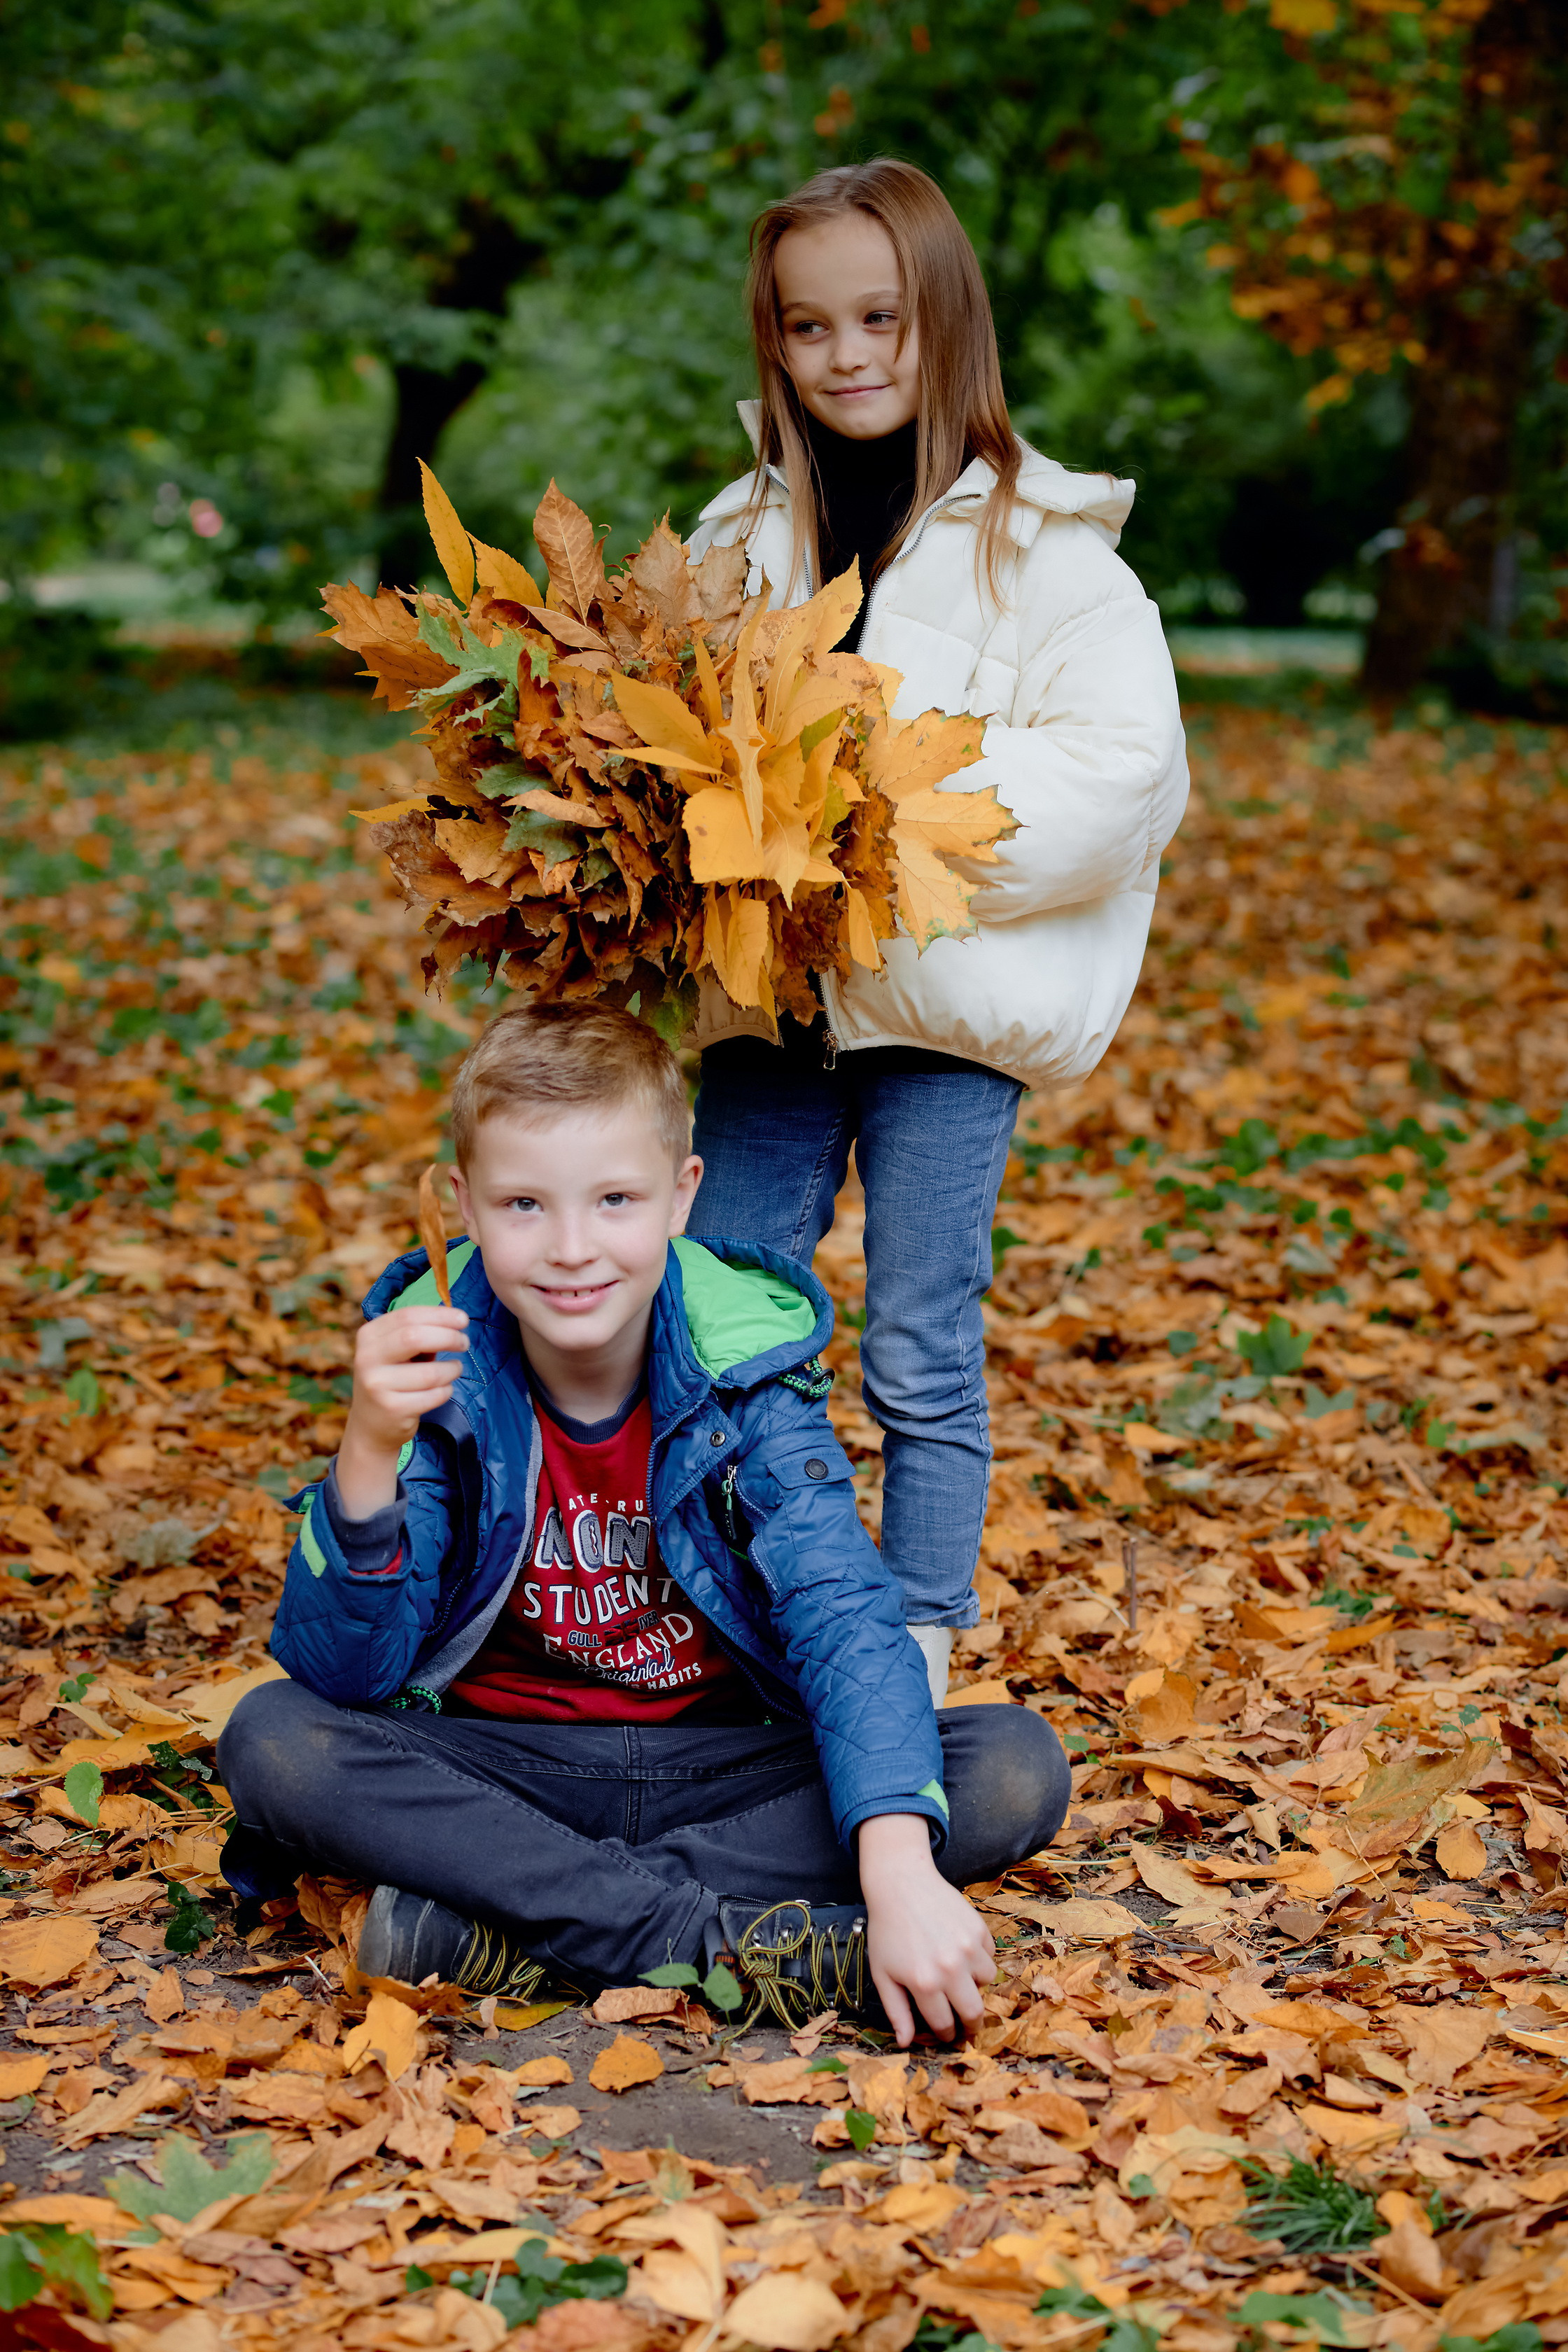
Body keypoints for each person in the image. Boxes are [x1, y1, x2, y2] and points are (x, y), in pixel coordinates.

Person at [218, 1004, 1069, 2042]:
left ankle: (506, 1934)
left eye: (614, 1199)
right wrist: (364, 1452)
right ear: (463, 1206)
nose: (573, 1249)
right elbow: (348, 1673)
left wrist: (893, 1873)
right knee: (274, 1740)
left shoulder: (742, 1369)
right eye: (524, 1203)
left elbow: (842, 1613)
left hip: (713, 1771)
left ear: (681, 1196)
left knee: (1010, 1765)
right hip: (507, 1768)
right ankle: (713, 1948)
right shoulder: (442, 1369)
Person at [685, 160, 1188, 1702]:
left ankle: (911, 1636)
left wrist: (870, 815)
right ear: (772, 342)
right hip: (770, 1002)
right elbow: (673, 741)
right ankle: (736, 1593)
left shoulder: (1045, 552)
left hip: (945, 1018)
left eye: (880, 318)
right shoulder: (730, 537)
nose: (847, 355)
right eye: (807, 326)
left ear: (944, 318)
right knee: (722, 1290)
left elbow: (1122, 781)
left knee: (916, 1331)